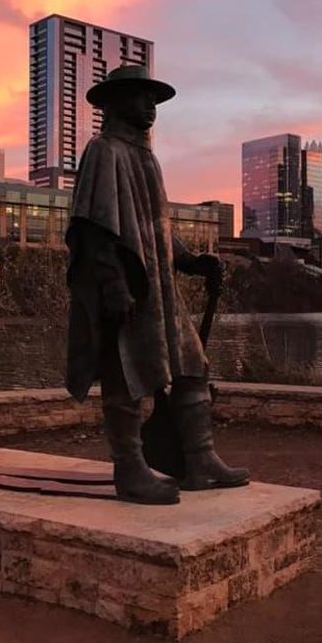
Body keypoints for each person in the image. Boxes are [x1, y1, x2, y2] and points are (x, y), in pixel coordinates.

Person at [65, 64, 249, 505]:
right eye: (141, 96)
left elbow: (153, 229)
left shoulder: (146, 157)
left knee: (192, 367)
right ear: (114, 102)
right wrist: (113, 286)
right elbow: (93, 229)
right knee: (124, 375)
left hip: (160, 291)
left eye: (155, 100)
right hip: (127, 289)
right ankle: (129, 469)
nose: (151, 106)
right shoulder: (103, 151)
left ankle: (200, 460)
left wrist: (190, 260)